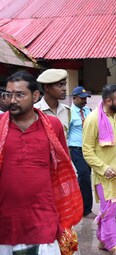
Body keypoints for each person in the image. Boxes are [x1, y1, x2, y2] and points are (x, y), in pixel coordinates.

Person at [0, 71, 82, 255]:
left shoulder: (53, 125)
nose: (12, 100)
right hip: (6, 217)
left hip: (43, 215)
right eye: (8, 94)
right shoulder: (0, 125)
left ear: (35, 96)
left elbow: (62, 167)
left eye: (19, 95)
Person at [82, 84, 116, 255]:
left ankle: (102, 240)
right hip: (104, 176)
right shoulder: (93, 119)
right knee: (110, 212)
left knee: (112, 210)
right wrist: (104, 169)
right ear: (108, 101)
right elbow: (87, 151)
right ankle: (113, 246)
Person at [68, 86, 96, 219]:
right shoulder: (69, 113)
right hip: (76, 149)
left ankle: (78, 205)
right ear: (74, 98)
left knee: (86, 177)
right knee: (84, 175)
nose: (85, 101)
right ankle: (86, 210)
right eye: (82, 98)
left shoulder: (88, 111)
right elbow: (66, 133)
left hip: (88, 149)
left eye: (86, 98)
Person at [35, 68, 70, 135]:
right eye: (60, 85)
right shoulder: (34, 111)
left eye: (64, 84)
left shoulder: (67, 111)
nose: (65, 89)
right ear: (47, 87)